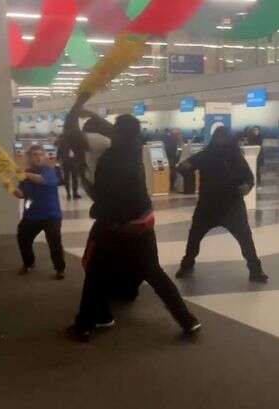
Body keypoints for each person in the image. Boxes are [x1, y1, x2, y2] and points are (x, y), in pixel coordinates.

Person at [64, 95, 200, 342]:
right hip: (143, 222)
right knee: (154, 273)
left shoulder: (111, 155)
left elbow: (72, 135)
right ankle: (187, 320)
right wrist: (90, 113)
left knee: (94, 273)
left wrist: (76, 107)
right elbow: (112, 129)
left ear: (118, 133)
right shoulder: (134, 145)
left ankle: (85, 325)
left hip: (115, 225)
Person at [175, 126, 268, 283]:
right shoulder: (207, 154)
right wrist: (183, 167)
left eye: (223, 137)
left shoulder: (235, 156)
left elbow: (248, 177)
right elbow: (187, 166)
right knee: (194, 237)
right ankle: (187, 265)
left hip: (231, 205)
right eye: (218, 137)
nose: (220, 140)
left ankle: (255, 270)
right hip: (209, 205)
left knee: (245, 239)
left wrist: (246, 186)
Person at [14, 145, 66, 280]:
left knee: (54, 241)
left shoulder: (50, 170)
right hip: (32, 214)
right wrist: (12, 189)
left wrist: (24, 173)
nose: (37, 157)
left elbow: (44, 181)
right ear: (30, 158)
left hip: (51, 214)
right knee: (22, 237)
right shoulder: (25, 174)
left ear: (43, 156)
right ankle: (29, 263)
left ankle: (60, 269)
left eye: (40, 154)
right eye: (34, 155)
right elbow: (22, 194)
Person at [57, 135, 81, 200]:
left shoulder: (63, 138)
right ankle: (73, 194)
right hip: (72, 161)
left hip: (67, 161)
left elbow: (59, 150)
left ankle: (70, 194)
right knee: (73, 178)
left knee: (68, 178)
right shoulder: (76, 137)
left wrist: (58, 159)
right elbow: (80, 150)